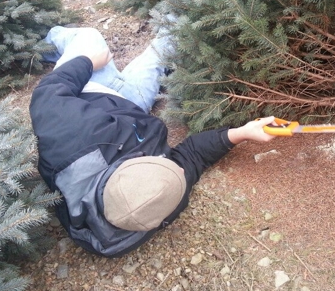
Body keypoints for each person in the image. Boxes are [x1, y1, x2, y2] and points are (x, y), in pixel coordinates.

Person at [29, 26, 276, 258]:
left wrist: (88, 62)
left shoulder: (71, 134)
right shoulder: (157, 202)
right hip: (132, 104)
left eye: (164, 164)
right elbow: (192, 157)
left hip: (86, 90)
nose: (179, 168)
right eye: (173, 169)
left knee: (90, 38)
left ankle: (39, 46)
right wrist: (243, 132)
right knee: (166, 42)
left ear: (133, 163)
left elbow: (49, 91)